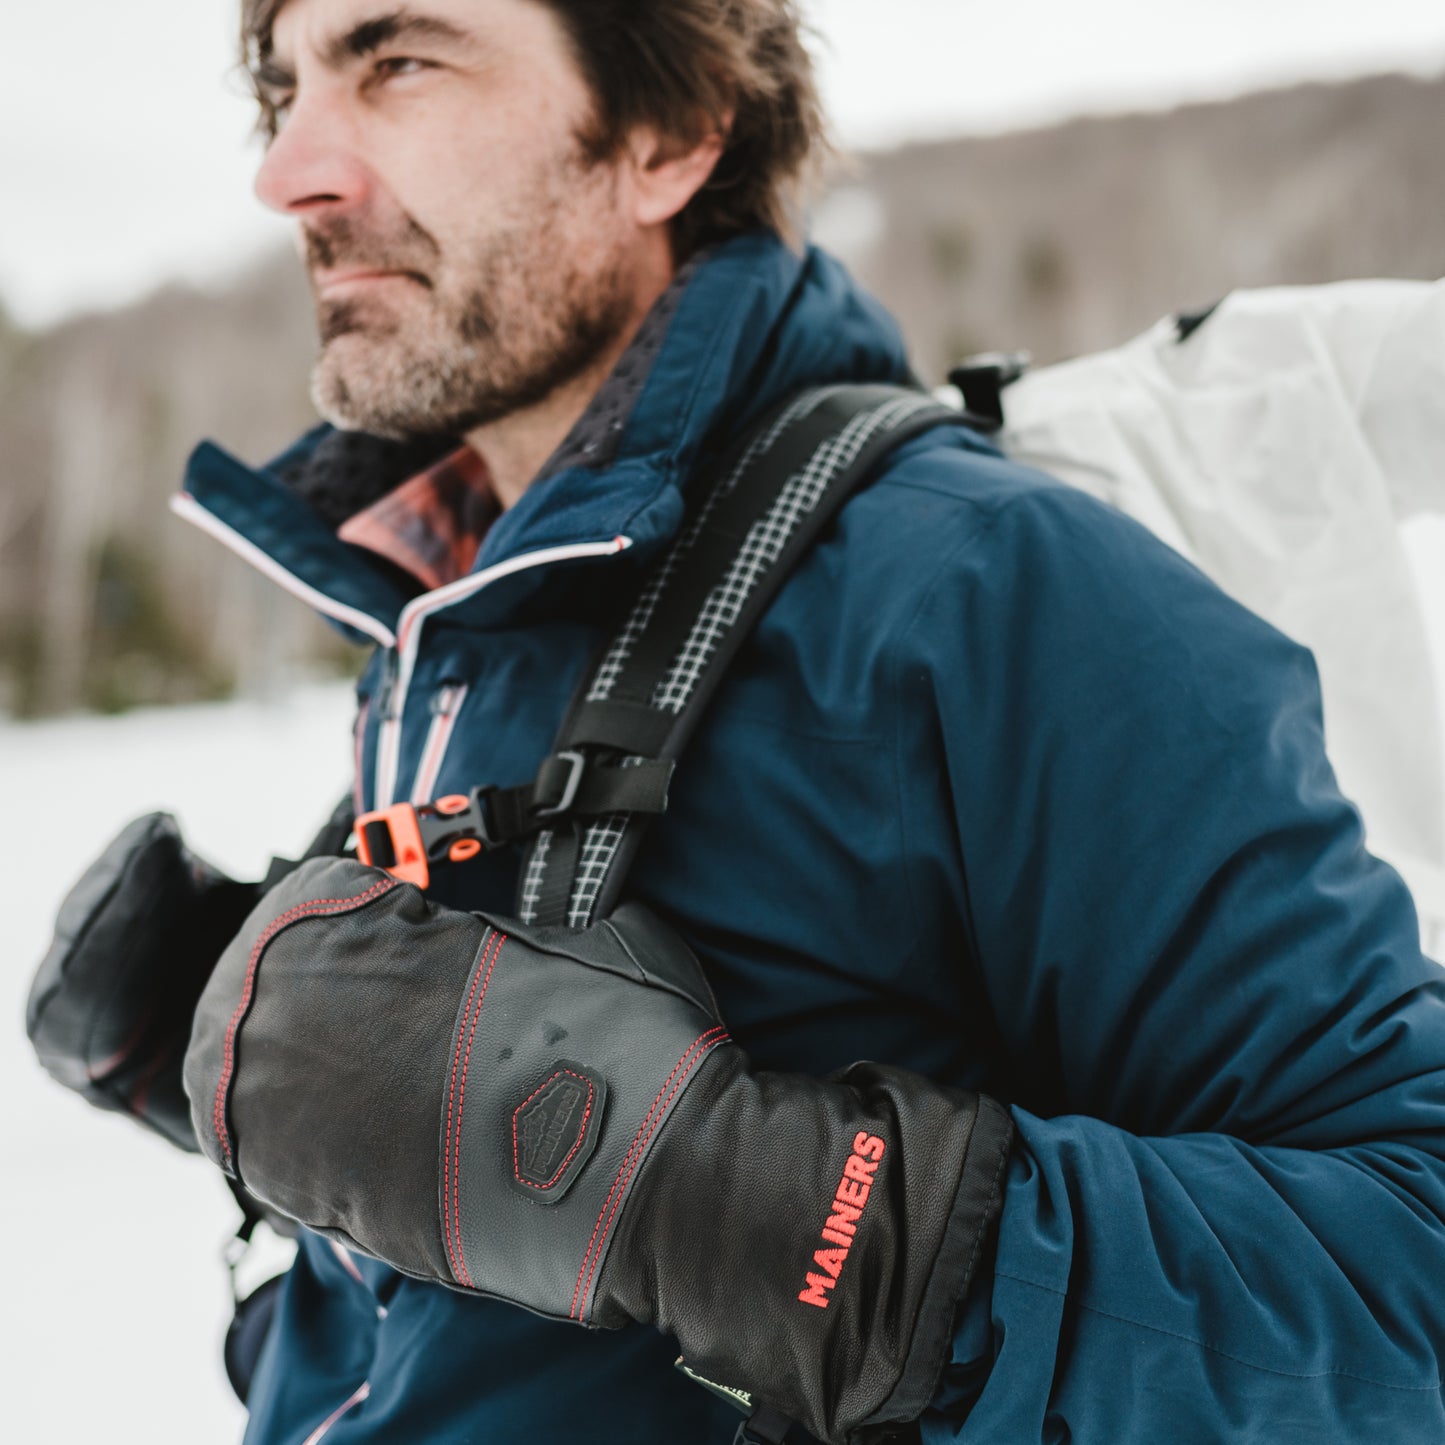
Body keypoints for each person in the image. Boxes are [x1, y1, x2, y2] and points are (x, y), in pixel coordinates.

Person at [26, 1, 1445, 1441]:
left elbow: (1409, 1282)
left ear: (666, 133)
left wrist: (717, 1197)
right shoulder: (449, 614)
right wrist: (251, 1082)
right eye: (286, 87)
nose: (292, 170)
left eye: (399, 62)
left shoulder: (992, 594)